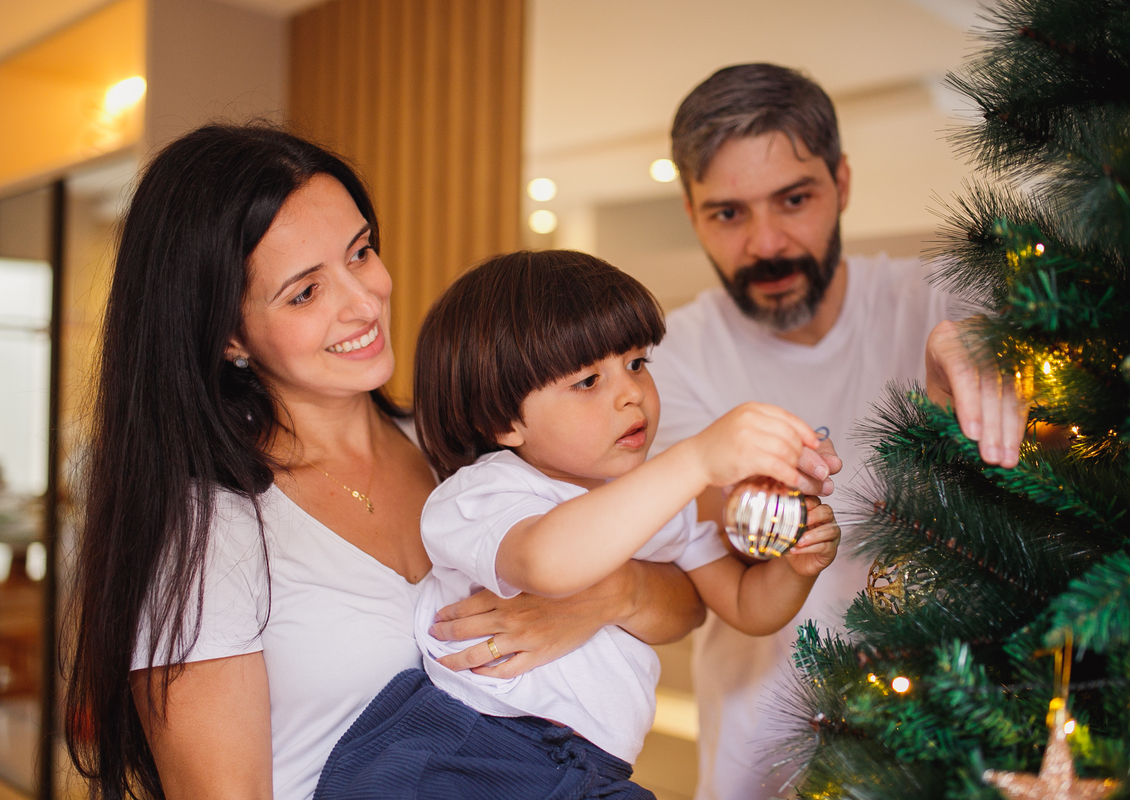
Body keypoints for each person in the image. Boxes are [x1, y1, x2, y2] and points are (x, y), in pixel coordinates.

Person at [63, 124, 733, 800]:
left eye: (360, 252)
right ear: (229, 335)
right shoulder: (210, 533)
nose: (363, 300)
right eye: (305, 292)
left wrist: (602, 597)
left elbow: (687, 598)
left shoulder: (461, 443)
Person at [314, 250, 842, 799]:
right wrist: (696, 461)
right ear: (503, 419)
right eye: (589, 380)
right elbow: (548, 562)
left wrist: (797, 565)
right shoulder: (483, 492)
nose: (630, 392)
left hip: (590, 769)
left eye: (637, 363)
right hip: (469, 748)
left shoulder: (661, 502)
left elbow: (746, 607)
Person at [648, 63, 1030, 800]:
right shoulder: (670, 360)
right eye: (728, 213)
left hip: (961, 747)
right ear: (692, 213)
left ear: (842, 184)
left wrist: (991, 353)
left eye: (794, 200)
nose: (766, 243)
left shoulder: (940, 299)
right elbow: (718, 538)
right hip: (762, 765)